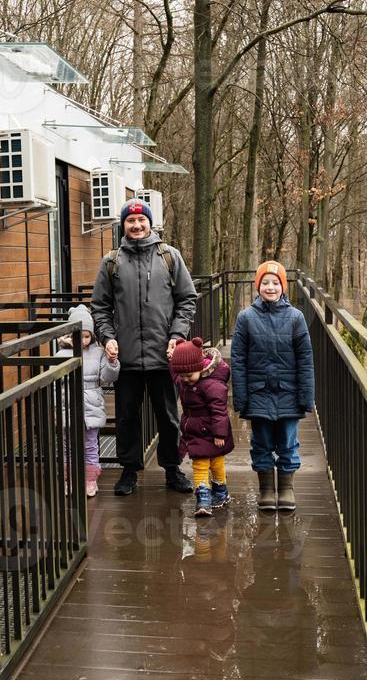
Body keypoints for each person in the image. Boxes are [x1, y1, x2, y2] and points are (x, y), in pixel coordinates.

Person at [90, 199, 198, 496]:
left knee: (168, 416)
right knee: (126, 416)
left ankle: (173, 469)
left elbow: (187, 300)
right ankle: (129, 471)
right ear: (123, 225)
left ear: (150, 223)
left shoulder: (169, 257)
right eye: (130, 221)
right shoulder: (111, 261)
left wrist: (177, 335)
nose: (136, 225)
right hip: (124, 358)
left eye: (141, 220)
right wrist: (107, 337)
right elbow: (100, 306)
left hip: (165, 356)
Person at [231, 261, 314, 511]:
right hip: (258, 392)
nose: (270, 287)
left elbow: (305, 359)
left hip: (289, 392)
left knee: (288, 442)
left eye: (275, 283)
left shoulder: (296, 318)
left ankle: (286, 488)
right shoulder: (246, 318)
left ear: (283, 286)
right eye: (265, 283)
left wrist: (306, 396)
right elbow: (238, 359)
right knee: (262, 441)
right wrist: (241, 398)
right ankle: (266, 488)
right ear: (258, 286)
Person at [54, 304, 120, 497]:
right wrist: (56, 407)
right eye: (78, 335)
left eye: (86, 336)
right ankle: (69, 479)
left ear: (92, 336)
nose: (83, 340)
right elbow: (55, 384)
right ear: (69, 333)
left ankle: (90, 480)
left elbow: (108, 377)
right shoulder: (61, 355)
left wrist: (112, 362)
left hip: (91, 405)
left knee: (90, 444)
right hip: (68, 405)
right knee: (67, 445)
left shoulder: (98, 353)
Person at [170, 336, 234, 517]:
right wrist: (171, 359)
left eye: (188, 376)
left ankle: (221, 490)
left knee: (216, 462)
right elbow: (175, 374)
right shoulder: (185, 378)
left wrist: (220, 434)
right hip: (194, 431)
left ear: (200, 367)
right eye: (182, 376)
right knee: (199, 463)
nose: (185, 379)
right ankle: (203, 497)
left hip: (213, 431)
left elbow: (220, 411)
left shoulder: (212, 385)